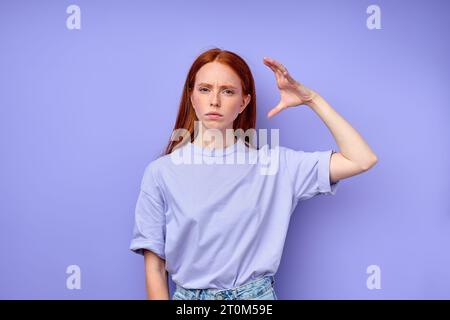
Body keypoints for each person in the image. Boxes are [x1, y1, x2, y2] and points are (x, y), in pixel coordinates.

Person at [129, 48, 378, 300]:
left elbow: (362, 159)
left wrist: (312, 99)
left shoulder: (276, 165)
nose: (215, 100)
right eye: (204, 89)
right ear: (192, 97)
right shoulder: (161, 172)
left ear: (244, 102)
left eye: (227, 91)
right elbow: (155, 268)